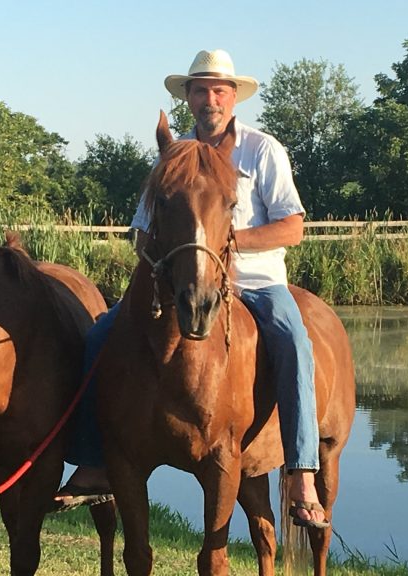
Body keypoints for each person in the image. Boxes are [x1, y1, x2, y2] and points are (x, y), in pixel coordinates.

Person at [55, 48, 328, 529]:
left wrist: (225, 244)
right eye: (200, 90)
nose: (210, 98)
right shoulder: (174, 155)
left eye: (219, 90)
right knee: (100, 336)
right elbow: (141, 232)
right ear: (188, 98)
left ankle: (303, 471)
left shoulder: (263, 150)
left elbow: (292, 227)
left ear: (233, 96)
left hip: (257, 284)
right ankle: (94, 458)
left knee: (294, 343)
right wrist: (170, 258)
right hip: (178, 280)